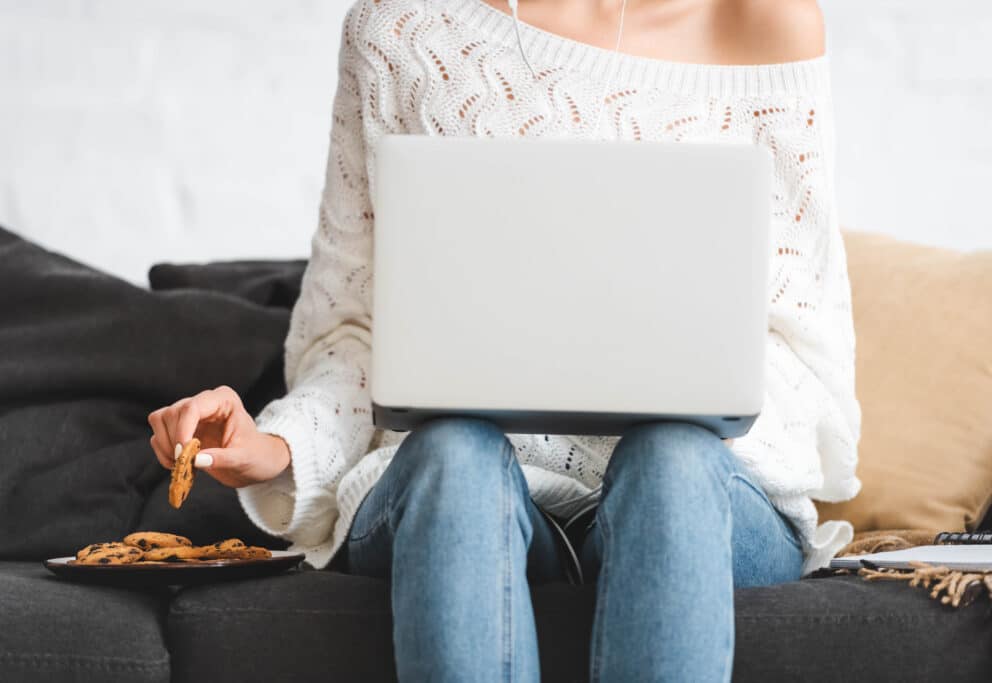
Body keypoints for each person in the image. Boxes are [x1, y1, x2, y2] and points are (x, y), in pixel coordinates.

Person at [147, 1, 862, 680]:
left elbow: (805, 345)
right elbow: (356, 330)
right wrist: (279, 447)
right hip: (457, 488)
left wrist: (687, 398)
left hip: (699, 492)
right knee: (454, 453)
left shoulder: (766, 23)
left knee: (670, 461)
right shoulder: (397, 29)